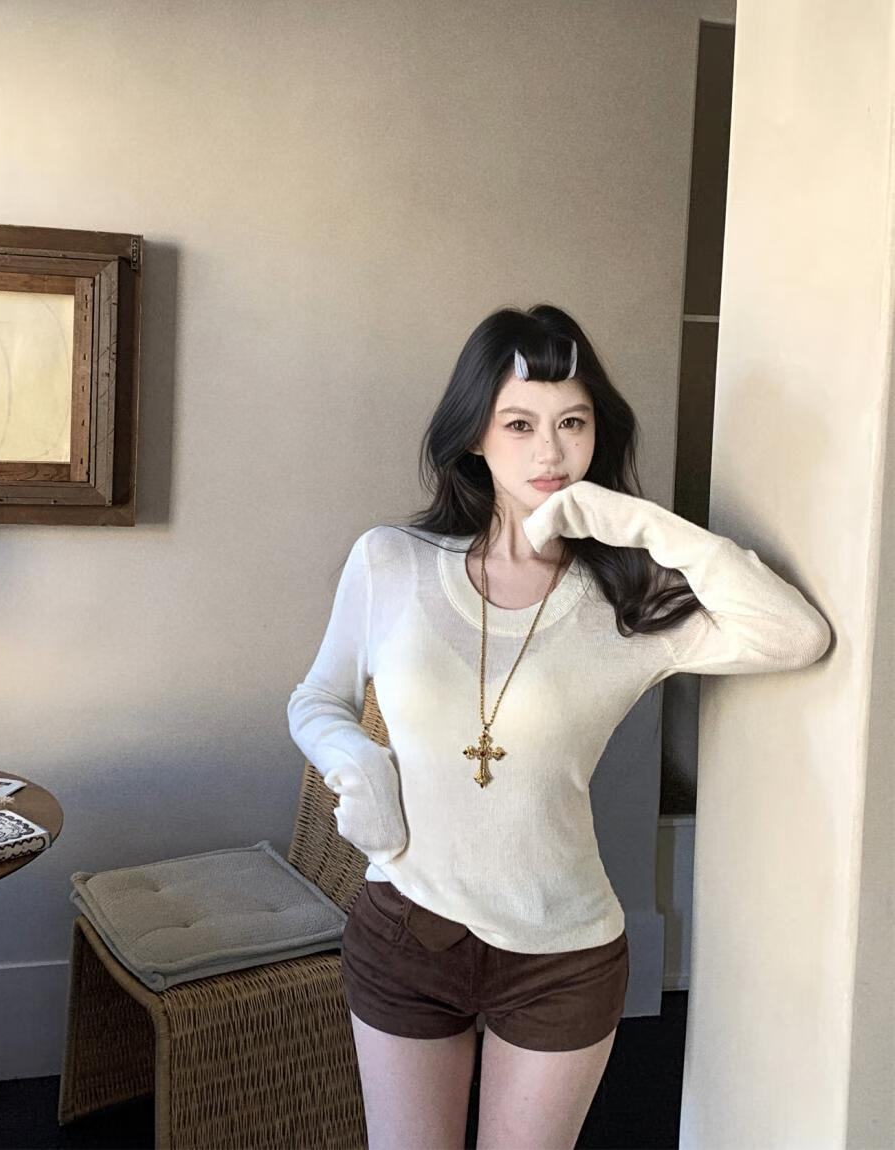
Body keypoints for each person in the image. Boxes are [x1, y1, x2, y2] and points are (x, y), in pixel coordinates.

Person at [287, 303, 832, 1150]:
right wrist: (356, 760)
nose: (550, 451)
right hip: (406, 930)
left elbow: (797, 637)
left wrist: (645, 527)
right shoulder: (390, 561)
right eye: (520, 423)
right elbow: (316, 698)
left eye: (572, 422)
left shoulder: (629, 599)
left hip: (561, 956)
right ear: (474, 434)